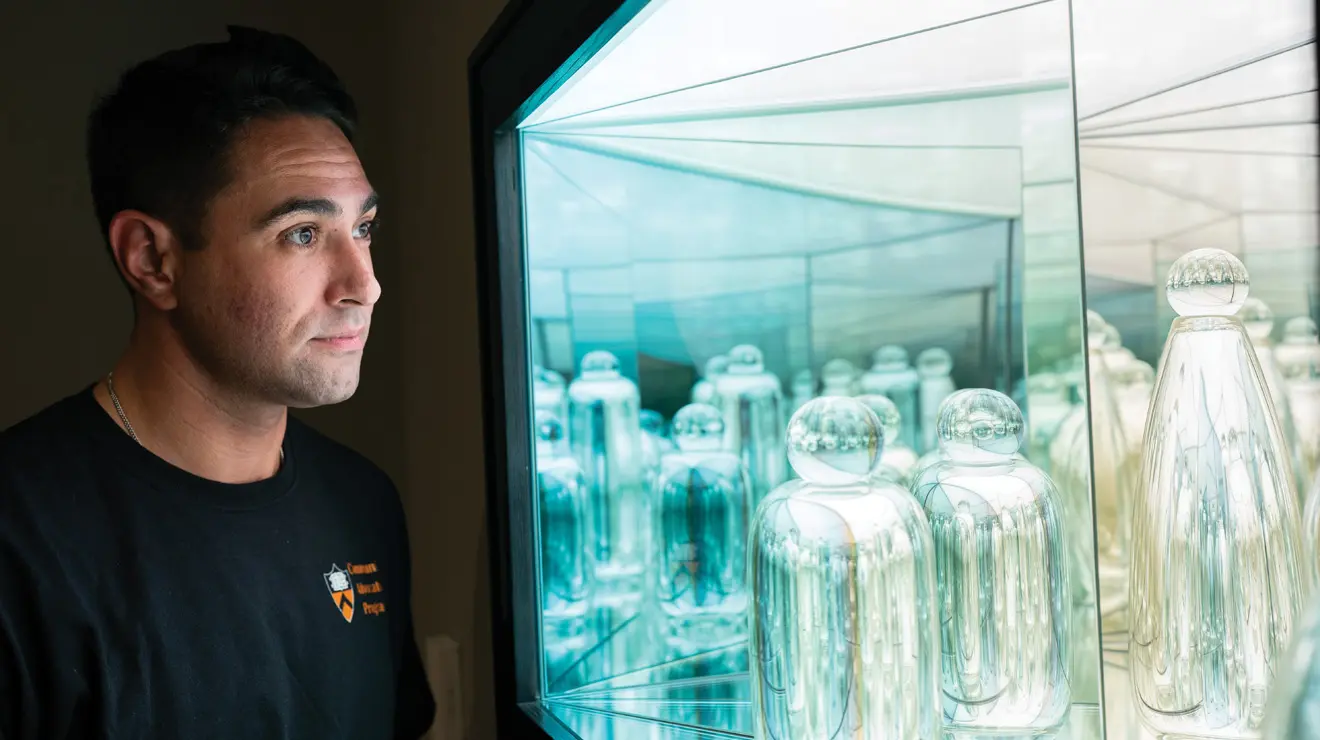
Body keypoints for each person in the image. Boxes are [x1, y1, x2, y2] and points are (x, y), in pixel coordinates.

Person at [0, 26, 436, 739]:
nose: (366, 285)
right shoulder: (21, 538)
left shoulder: (364, 503)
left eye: (363, 228)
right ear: (152, 260)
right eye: (302, 233)